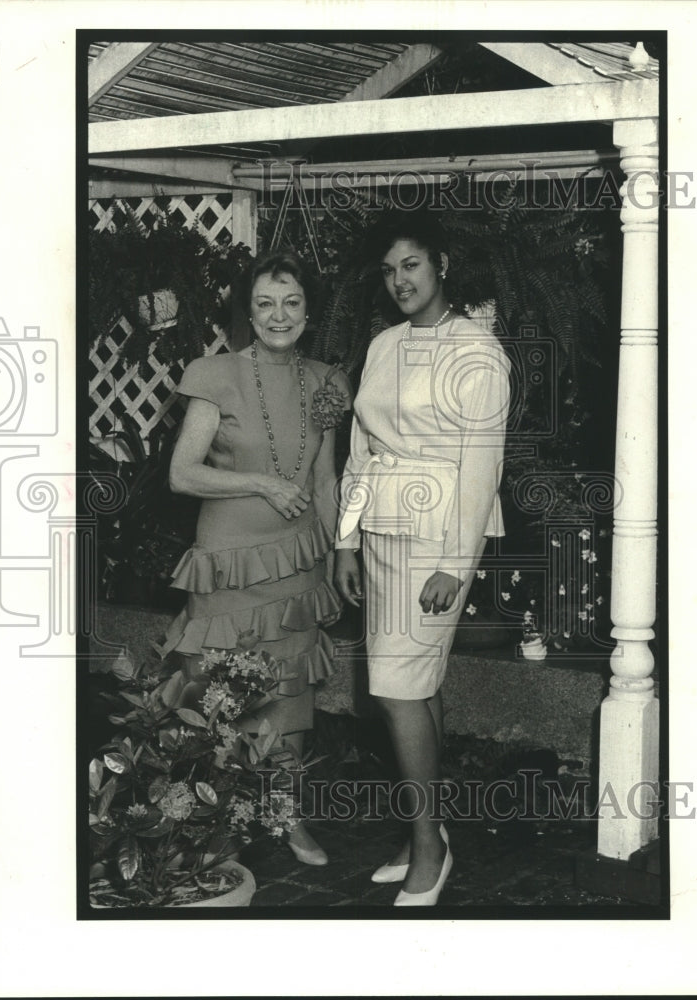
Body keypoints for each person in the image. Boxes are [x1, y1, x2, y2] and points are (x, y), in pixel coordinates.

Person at [334, 213, 509, 905]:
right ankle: (424, 835)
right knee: (417, 686)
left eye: (409, 264)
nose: (398, 280)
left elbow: (479, 468)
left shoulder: (476, 351)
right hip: (380, 531)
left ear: (438, 264)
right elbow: (359, 451)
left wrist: (452, 564)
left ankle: (429, 850)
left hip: (437, 540)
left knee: (393, 689)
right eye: (387, 270)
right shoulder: (383, 345)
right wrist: (345, 539)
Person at [159, 249, 351, 866]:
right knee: (218, 691)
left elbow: (325, 480)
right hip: (229, 561)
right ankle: (209, 823)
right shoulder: (213, 373)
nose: (278, 315)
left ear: (309, 309)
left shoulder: (327, 381)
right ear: (248, 309)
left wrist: (339, 550)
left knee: (290, 697)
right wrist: (262, 483)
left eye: (291, 302)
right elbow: (182, 474)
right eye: (265, 303)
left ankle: (287, 819)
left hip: (299, 564)